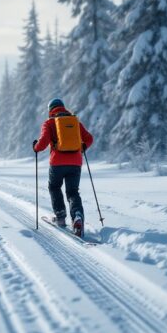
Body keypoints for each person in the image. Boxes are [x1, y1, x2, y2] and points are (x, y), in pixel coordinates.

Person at [32, 98, 94, 236]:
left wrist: (35, 147)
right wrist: (82, 148)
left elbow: (42, 143)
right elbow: (89, 138)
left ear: (50, 110)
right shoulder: (75, 122)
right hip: (75, 162)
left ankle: (60, 216)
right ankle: (77, 216)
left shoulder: (49, 123)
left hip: (57, 163)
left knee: (54, 187)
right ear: (63, 108)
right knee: (73, 192)